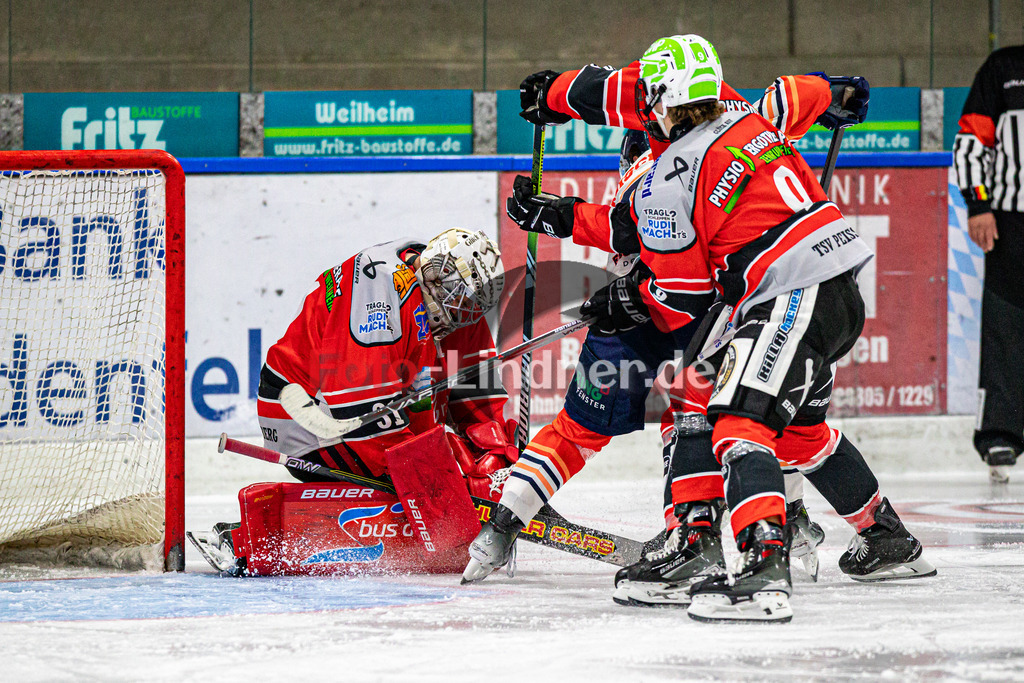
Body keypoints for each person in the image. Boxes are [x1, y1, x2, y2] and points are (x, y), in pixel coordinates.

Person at [474, 35, 935, 623]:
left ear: (661, 106)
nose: (642, 105)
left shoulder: (666, 178)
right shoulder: (753, 109)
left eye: (649, 98)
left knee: (740, 424)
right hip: (827, 284)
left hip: (787, 290)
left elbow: (683, 291)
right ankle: (879, 538)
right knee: (738, 410)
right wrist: (838, 92)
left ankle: (764, 570)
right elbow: (810, 91)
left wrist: (626, 301)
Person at [256, 229, 517, 500]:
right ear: (436, 276)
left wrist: (496, 454)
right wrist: (440, 477)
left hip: (367, 408)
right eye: (456, 304)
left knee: (470, 459)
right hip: (310, 418)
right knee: (440, 476)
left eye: (469, 307)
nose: (457, 314)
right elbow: (360, 411)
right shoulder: (378, 291)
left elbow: (476, 391)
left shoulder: (452, 290)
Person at [953, 45, 1024, 484]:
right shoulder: (1005, 68)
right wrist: (978, 203)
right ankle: (1000, 434)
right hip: (1013, 221)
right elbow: (971, 140)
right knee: (1005, 325)